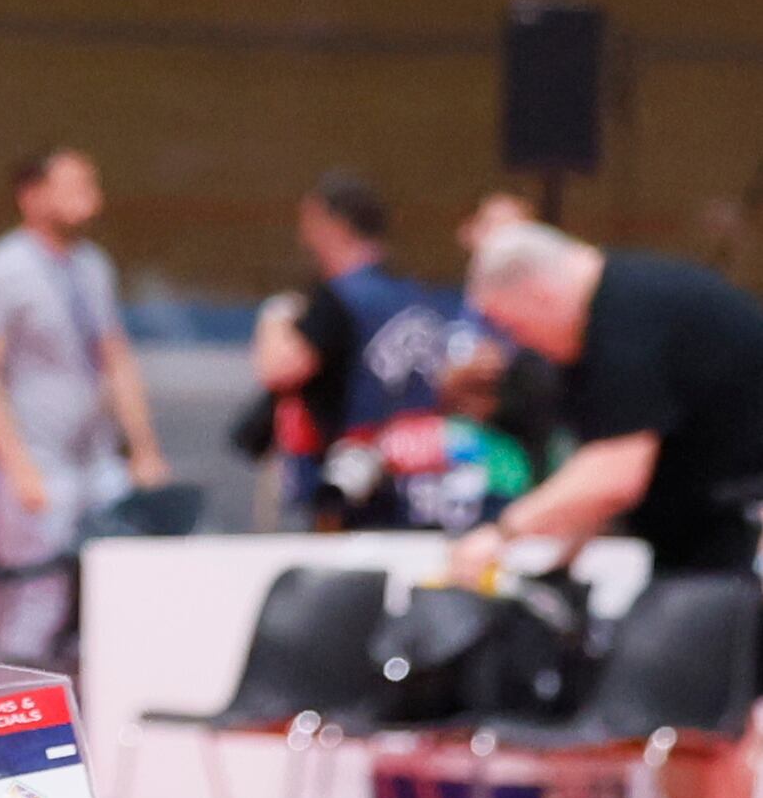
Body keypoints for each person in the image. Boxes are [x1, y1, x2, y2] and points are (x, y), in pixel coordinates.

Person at [0, 147, 168, 665]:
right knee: (32, 599)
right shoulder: (6, 267)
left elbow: (115, 358)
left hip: (94, 459)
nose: (88, 198)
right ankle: (13, 715)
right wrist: (17, 464)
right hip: (38, 459)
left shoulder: (92, 265)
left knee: (114, 589)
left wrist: (142, 448)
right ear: (33, 195)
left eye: (90, 185)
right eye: (73, 185)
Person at [460, 221, 763, 578]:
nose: (521, 343)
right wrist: (560, 565)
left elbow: (613, 478)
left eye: (513, 327)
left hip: (742, 532)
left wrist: (501, 533)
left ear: (538, 294)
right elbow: (599, 480)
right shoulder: (602, 320)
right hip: (702, 537)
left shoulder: (630, 322)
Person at [251, 172, 466, 530]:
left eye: (309, 222)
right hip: (426, 486)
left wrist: (275, 316)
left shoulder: (340, 299)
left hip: (353, 489)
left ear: (330, 223)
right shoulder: (419, 297)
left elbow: (279, 368)